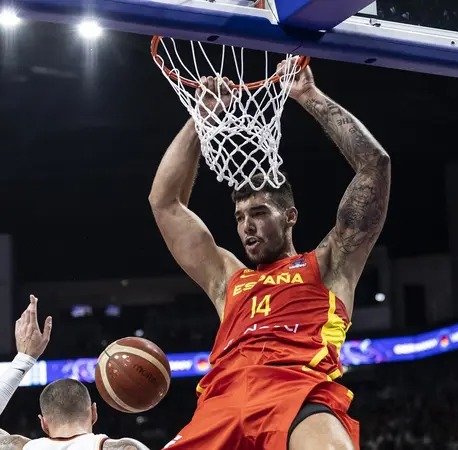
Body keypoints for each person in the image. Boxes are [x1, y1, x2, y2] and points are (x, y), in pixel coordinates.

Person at [150, 59, 391, 450]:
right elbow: (164, 203)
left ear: (290, 216)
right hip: (221, 403)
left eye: (259, 213)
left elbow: (374, 167)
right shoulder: (228, 278)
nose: (247, 225)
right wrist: (201, 117)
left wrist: (309, 95)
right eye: (240, 217)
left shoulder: (329, 265)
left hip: (295, 391)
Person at [0, 297, 150, 450]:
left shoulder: (18, 447)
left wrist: (24, 359)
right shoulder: (125, 448)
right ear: (94, 413)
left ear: (43, 423)